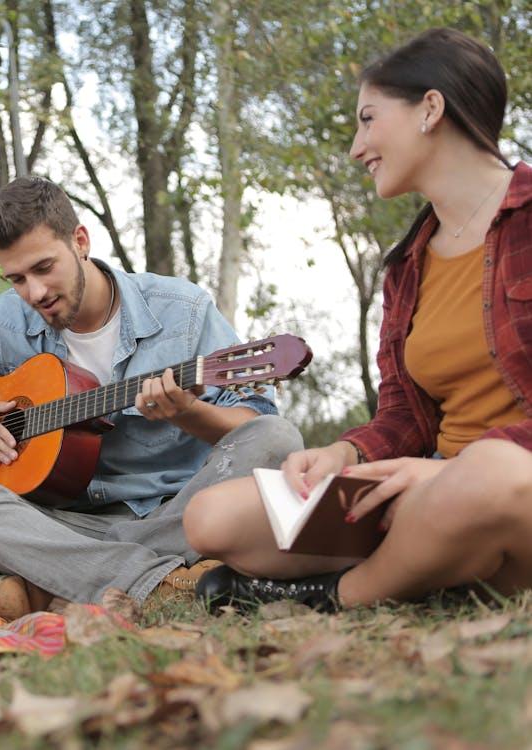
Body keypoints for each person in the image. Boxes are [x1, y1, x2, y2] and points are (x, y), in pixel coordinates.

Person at [185, 28, 532, 612]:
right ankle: (439, 567)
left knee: (487, 476)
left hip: (506, 484)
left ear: (430, 108)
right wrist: (345, 456)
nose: (356, 146)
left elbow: (480, 471)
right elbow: (403, 413)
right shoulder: (408, 266)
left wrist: (447, 476)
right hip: (429, 485)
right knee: (212, 517)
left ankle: (342, 595)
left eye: (369, 119)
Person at [0, 176, 303, 617]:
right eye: (17, 278)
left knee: (277, 438)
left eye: (44, 268)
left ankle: (78, 579)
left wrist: (188, 413)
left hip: (181, 512)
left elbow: (252, 422)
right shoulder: (9, 320)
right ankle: (162, 579)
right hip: (72, 524)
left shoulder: (183, 310)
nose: (34, 293)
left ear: (80, 241)